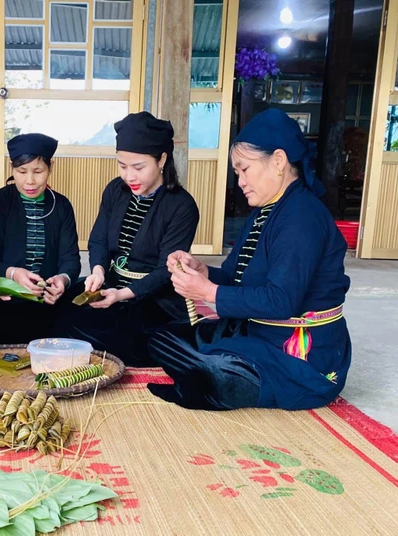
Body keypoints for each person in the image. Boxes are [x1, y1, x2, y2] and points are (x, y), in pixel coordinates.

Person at [149, 108, 351, 411]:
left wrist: (205, 292)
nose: (240, 181)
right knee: (161, 336)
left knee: (213, 372)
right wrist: (202, 271)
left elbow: (281, 301)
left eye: (244, 169)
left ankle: (211, 379)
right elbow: (234, 277)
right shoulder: (263, 212)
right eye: (237, 173)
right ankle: (206, 375)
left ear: (279, 161)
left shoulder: (302, 216)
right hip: (256, 331)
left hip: (300, 357)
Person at [53, 112, 199, 366]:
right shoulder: (115, 190)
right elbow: (98, 239)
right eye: (122, 166)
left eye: (138, 167)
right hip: (111, 282)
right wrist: (98, 271)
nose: (129, 176)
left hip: (154, 297)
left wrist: (121, 295)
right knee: (58, 313)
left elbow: (166, 271)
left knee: (132, 337)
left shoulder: (182, 206)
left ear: (162, 159)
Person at [0, 133, 81, 344]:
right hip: (4, 303)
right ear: (12, 168)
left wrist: (62, 279)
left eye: (38, 171)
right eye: (21, 171)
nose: (30, 181)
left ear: (50, 168)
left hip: (48, 303)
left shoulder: (61, 206)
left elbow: (71, 259)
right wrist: (14, 274)